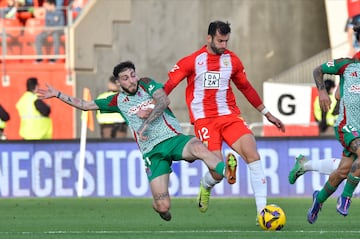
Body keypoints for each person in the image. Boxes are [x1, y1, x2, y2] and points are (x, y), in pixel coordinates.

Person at [37, 60, 231, 221]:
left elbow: (164, 101)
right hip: (152, 154)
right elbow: (85, 105)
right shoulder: (117, 101)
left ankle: (227, 172)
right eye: (125, 78)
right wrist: (58, 95)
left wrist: (147, 121)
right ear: (118, 83)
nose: (131, 80)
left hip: (173, 139)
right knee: (163, 205)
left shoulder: (146, 84)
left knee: (197, 146)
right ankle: (159, 207)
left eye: (132, 75)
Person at [164, 20, 285, 219]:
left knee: (252, 154)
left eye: (226, 41)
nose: (224, 46)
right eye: (220, 41)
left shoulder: (232, 61)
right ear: (209, 38)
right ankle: (206, 184)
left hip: (230, 117)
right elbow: (169, 85)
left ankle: (262, 213)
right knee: (218, 172)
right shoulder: (192, 61)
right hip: (205, 121)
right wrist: (154, 107)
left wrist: (267, 113)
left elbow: (246, 87)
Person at [306, 56, 360, 224]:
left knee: (343, 172)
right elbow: (318, 70)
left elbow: (338, 94)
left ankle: (319, 199)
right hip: (347, 126)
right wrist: (322, 91)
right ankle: (345, 197)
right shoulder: (348, 64)